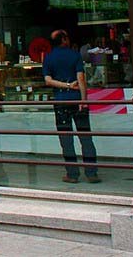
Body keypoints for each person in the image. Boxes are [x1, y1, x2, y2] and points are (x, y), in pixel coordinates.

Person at [43, 29, 100, 183]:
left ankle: (72, 174)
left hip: (61, 101)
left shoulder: (48, 58)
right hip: (77, 100)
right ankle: (91, 173)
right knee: (85, 137)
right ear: (64, 40)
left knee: (66, 139)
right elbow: (81, 79)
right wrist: (83, 100)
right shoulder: (75, 55)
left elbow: (47, 80)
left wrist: (64, 86)